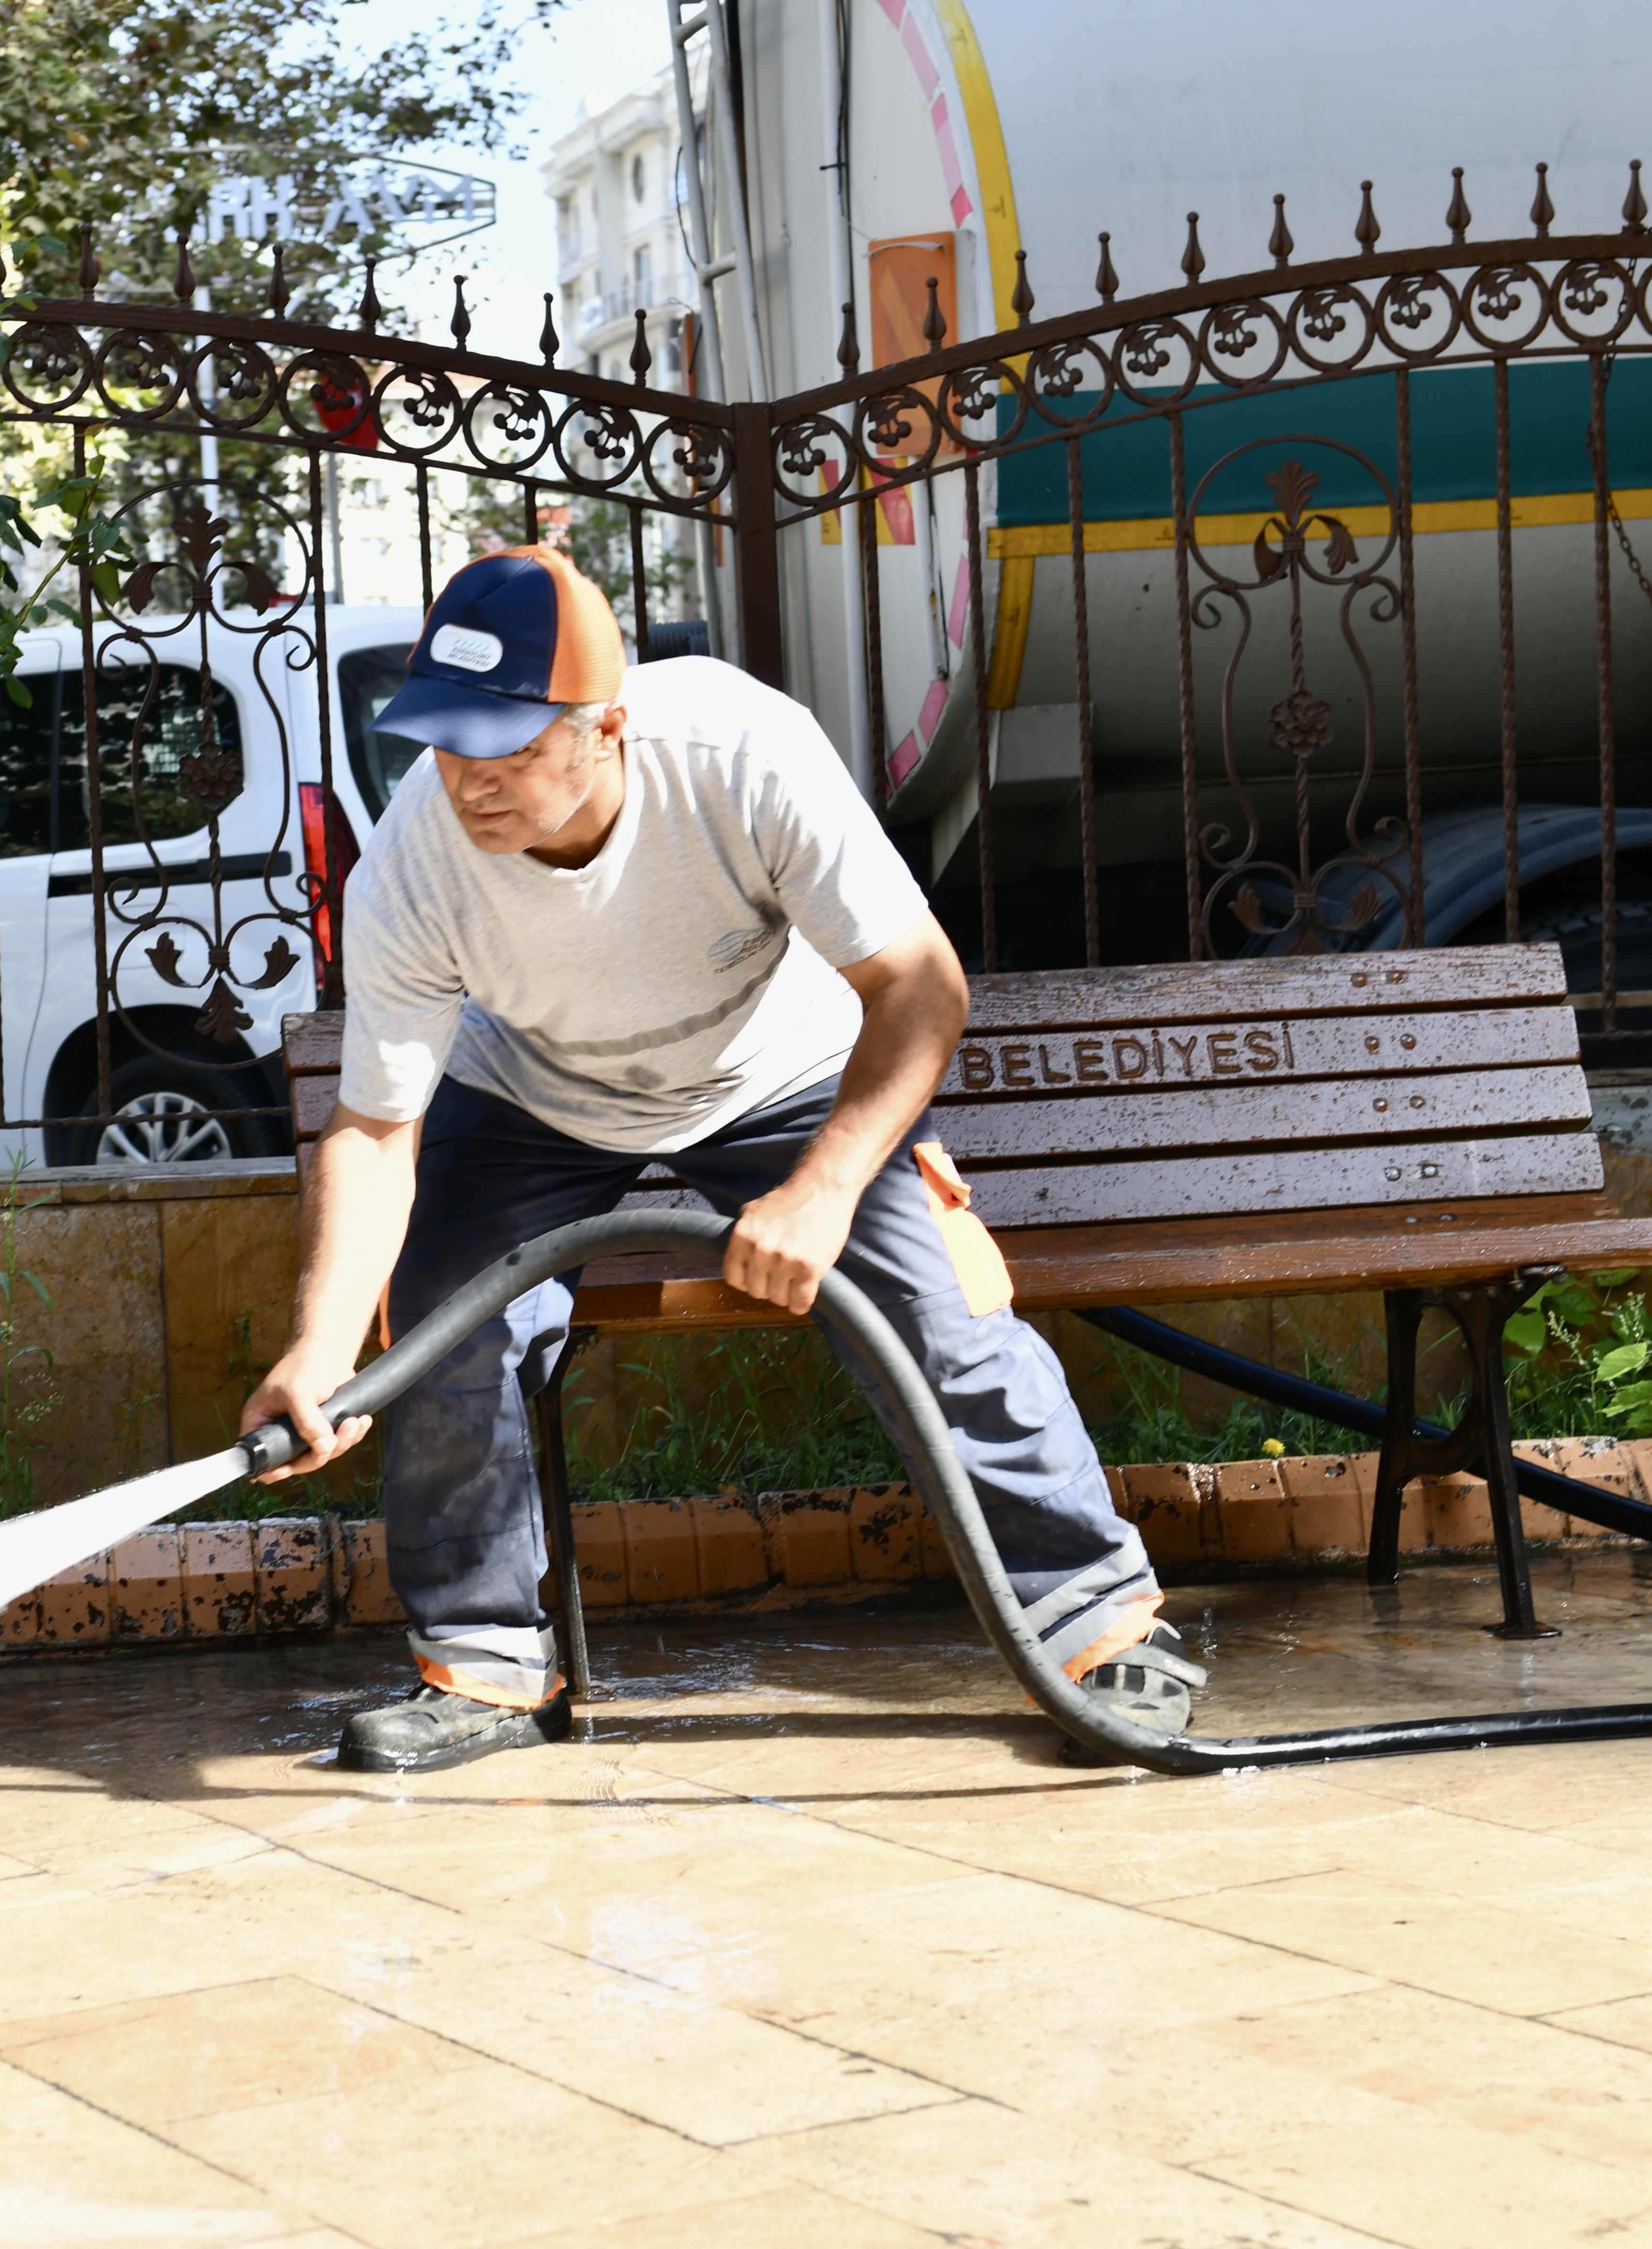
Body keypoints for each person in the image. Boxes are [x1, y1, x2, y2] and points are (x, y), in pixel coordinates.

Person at [241, 544, 1199, 1773]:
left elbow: (920, 986)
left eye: (511, 744)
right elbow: (375, 1130)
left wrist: (825, 1186)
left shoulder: (740, 756)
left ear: (606, 728)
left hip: (779, 1076)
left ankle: (1100, 1628)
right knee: (440, 1328)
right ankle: (479, 1672)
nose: (469, 779)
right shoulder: (412, 868)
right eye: (445, 740)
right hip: (537, 1095)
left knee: (938, 1314)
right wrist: (321, 1350)